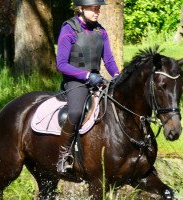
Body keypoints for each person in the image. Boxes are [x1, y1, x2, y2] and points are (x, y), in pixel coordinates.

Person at [56, 0, 120, 173]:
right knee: (76, 111)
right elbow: (61, 64)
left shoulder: (101, 31)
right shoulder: (69, 29)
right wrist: (86, 75)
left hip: (96, 79)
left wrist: (117, 76)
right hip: (75, 80)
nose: (97, 12)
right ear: (81, 8)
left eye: (98, 8)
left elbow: (108, 60)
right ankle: (63, 156)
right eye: (93, 8)